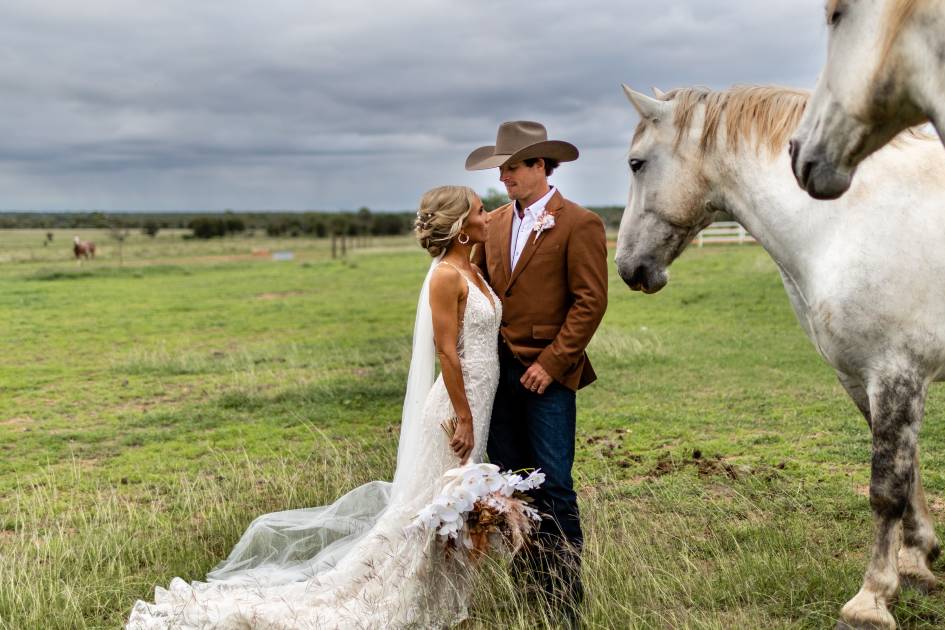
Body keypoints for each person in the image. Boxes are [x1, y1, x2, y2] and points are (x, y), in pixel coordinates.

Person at [127, 185, 501, 628]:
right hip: (457, 407)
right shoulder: (446, 276)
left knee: (451, 504)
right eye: (480, 211)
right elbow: (446, 351)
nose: (488, 216)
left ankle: (449, 599)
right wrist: (463, 417)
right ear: (460, 228)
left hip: (481, 395)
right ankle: (408, 598)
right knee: (431, 507)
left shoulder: (473, 268)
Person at [466, 120, 608, 625]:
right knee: (511, 485)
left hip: (549, 377)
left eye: (512, 168)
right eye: (501, 169)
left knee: (554, 485)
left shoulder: (579, 223)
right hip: (497, 374)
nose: (504, 177)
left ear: (540, 166)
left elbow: (590, 302)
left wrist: (551, 363)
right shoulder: (496, 222)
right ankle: (531, 590)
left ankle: (566, 601)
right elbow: (481, 289)